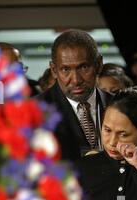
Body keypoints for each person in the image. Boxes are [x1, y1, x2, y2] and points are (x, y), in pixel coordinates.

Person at [38, 29, 111, 166]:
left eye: (83, 67)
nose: (76, 80)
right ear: (54, 70)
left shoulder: (118, 103)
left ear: (99, 64)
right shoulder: (35, 111)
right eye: (66, 69)